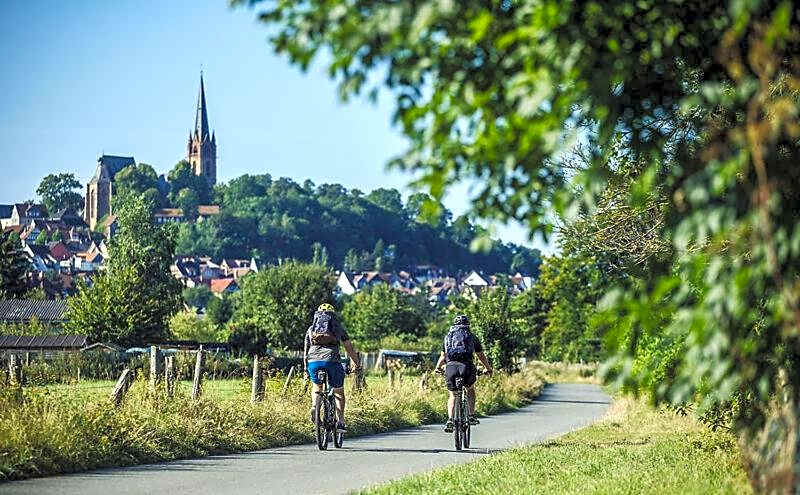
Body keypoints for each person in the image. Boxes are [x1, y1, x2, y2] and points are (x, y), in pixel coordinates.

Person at [303, 303, 361, 432]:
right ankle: (340, 421)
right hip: (332, 361)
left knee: (317, 387)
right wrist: (356, 363)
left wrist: (306, 368)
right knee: (338, 391)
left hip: (313, 362)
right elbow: (349, 348)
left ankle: (314, 406)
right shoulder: (337, 328)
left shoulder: (311, 329)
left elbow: (306, 351)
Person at [435, 314, 493, 433]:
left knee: (453, 394)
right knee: (470, 389)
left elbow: (443, 357)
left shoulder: (448, 337)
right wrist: (488, 368)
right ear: (467, 325)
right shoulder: (471, 336)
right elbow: (480, 355)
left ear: (454, 325)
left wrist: (437, 368)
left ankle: (450, 420)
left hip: (451, 367)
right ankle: (471, 415)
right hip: (467, 367)